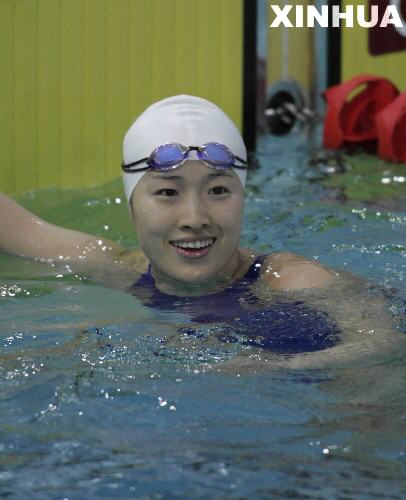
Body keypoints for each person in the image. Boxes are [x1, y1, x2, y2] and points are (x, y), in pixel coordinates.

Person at [0, 95, 400, 365]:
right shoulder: (120, 269)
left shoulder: (293, 282)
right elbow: (20, 229)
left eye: (219, 190)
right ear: (131, 208)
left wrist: (275, 368)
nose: (194, 216)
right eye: (168, 192)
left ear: (244, 200)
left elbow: (382, 345)